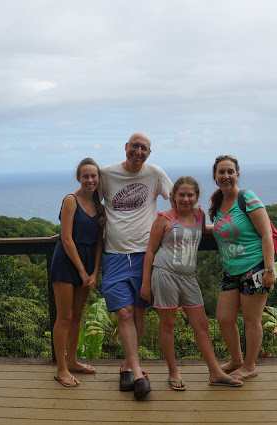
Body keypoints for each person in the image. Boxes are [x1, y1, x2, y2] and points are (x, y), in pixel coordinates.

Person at [140, 176, 243, 390]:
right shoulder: (164, 218)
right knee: (167, 325)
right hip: (165, 275)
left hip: (188, 277)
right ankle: (173, 371)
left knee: (202, 326)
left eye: (190, 195)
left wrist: (234, 230)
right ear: (173, 196)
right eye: (181, 195)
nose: (186, 199)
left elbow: (204, 232)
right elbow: (150, 251)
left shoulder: (199, 215)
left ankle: (215, 372)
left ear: (196, 197)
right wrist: (145, 284)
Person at [100, 132, 173, 400]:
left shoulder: (155, 173)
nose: (138, 151)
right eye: (135, 146)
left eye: (144, 148)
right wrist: (68, 227)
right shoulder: (106, 174)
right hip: (115, 254)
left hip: (145, 254)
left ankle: (128, 368)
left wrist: (180, 228)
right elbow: (88, 202)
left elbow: (177, 200)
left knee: (139, 312)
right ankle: (139, 373)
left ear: (149, 153)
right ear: (126, 147)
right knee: (124, 313)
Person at [208, 154, 276, 380]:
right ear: (215, 176)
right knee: (224, 318)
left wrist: (269, 270)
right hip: (231, 271)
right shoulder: (218, 203)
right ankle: (236, 360)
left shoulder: (247, 198)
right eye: (221, 172)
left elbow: (266, 234)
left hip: (254, 268)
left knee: (251, 319)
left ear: (237, 174)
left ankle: (249, 366)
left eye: (230, 171)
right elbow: (221, 228)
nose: (226, 176)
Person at [50, 158, 105, 387]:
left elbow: (99, 242)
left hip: (88, 262)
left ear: (99, 178)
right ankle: (61, 368)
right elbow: (66, 238)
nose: (90, 180)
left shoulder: (99, 206)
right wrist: (82, 271)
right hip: (66, 261)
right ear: (78, 178)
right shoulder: (70, 200)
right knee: (64, 317)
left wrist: (95, 272)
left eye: (94, 176)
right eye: (86, 176)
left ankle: (72, 361)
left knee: (77, 316)